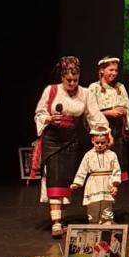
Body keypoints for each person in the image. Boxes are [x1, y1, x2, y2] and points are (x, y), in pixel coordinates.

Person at [33, 55, 108, 238]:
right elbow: (39, 113)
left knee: (65, 181)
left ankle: (60, 217)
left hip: (70, 141)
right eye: (69, 80)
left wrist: (105, 132)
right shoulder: (51, 91)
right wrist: (48, 118)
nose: (72, 83)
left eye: (75, 80)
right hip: (52, 139)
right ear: (62, 77)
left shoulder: (85, 93)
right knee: (54, 178)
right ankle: (56, 223)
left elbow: (94, 115)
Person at [87, 56, 129, 184]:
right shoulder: (94, 87)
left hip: (118, 129)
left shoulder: (120, 87)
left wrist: (123, 112)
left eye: (116, 70)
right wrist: (108, 112)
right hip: (101, 130)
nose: (114, 73)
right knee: (102, 163)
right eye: (111, 70)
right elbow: (90, 111)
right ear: (102, 70)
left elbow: (127, 106)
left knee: (117, 166)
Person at [70, 124, 121, 224]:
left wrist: (115, 185)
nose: (100, 145)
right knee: (93, 207)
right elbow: (83, 169)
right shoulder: (89, 155)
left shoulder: (112, 154)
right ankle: (93, 226)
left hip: (107, 184)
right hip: (93, 184)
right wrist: (77, 183)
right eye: (97, 142)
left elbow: (116, 170)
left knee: (107, 207)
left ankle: (107, 226)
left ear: (107, 141)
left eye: (102, 142)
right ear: (92, 141)